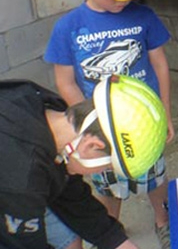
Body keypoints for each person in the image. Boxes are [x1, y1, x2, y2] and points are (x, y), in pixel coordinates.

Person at [44, 0, 174, 249]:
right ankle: (110, 229)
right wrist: (90, 123)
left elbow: (160, 64)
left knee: (154, 175)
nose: (125, 0)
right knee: (106, 184)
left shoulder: (143, 16)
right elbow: (65, 81)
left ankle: (162, 220)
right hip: (100, 129)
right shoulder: (68, 27)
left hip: (142, 124)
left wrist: (165, 112)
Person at [0, 74, 168, 249]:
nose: (100, 171)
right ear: (91, 145)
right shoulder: (22, 180)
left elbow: (69, 194)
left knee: (70, 241)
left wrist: (117, 242)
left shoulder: (48, 109)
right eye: (108, 166)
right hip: (10, 204)